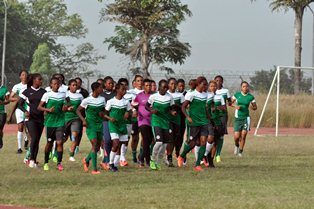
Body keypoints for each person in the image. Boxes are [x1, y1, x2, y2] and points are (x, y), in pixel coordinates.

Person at [177, 76, 209, 172]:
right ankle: (181, 156)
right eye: (204, 84)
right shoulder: (191, 94)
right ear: (198, 84)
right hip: (194, 122)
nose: (205, 86)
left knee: (203, 142)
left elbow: (205, 108)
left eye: (206, 84)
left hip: (203, 122)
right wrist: (188, 117)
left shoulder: (205, 95)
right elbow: (183, 107)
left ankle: (197, 164)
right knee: (192, 143)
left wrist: (209, 118)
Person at [146, 79, 175, 170]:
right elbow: (146, 106)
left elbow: (171, 108)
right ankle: (152, 160)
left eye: (167, 87)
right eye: (164, 87)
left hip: (166, 122)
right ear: (159, 87)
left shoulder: (170, 97)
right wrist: (151, 110)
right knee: (159, 142)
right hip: (156, 121)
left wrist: (172, 112)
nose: (165, 89)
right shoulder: (153, 96)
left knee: (164, 145)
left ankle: (158, 163)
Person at [38, 77, 66, 171]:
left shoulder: (63, 94)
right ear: (51, 85)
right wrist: (48, 110)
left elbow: (66, 105)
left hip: (60, 122)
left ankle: (59, 163)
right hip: (50, 122)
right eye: (54, 84)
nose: (56, 85)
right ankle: (46, 162)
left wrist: (66, 108)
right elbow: (39, 107)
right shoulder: (47, 95)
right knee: (49, 143)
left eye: (58, 84)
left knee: (60, 142)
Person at [18, 74, 46, 167]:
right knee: (34, 138)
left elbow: (46, 105)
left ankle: (33, 160)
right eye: (40, 79)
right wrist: (25, 111)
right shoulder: (27, 91)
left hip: (40, 119)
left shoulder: (44, 92)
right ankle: (31, 160)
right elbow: (19, 104)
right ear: (34, 80)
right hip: (30, 119)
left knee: (37, 140)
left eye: (41, 80)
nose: (41, 81)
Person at [77, 82, 105, 175]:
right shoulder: (87, 100)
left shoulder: (102, 99)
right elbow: (78, 110)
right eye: (101, 88)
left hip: (99, 125)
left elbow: (103, 110)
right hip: (90, 125)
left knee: (97, 147)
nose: (102, 89)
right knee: (94, 144)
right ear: (96, 89)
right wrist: (83, 120)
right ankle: (95, 169)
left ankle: (86, 159)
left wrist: (102, 113)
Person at [103, 83, 131, 172]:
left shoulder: (126, 102)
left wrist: (128, 113)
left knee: (121, 144)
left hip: (122, 125)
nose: (124, 91)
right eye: (123, 89)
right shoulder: (111, 101)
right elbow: (103, 114)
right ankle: (110, 163)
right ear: (117, 90)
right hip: (113, 125)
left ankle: (115, 163)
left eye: (125, 89)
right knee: (115, 143)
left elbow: (129, 112)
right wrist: (110, 118)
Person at [231, 81, 257, 157]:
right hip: (237, 118)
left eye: (246, 86)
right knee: (236, 136)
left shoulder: (250, 97)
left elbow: (255, 107)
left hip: (246, 118)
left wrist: (253, 107)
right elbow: (229, 103)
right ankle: (236, 145)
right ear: (241, 88)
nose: (245, 88)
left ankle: (240, 152)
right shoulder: (237, 95)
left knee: (243, 135)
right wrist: (236, 106)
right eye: (243, 86)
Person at [204, 80, 225, 168]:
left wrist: (216, 108)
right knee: (209, 140)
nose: (213, 87)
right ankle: (204, 156)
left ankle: (211, 161)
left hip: (217, 121)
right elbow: (204, 108)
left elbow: (224, 109)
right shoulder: (206, 96)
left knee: (215, 142)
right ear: (209, 87)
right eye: (211, 86)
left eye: (214, 86)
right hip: (208, 121)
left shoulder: (220, 97)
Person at [133, 78, 152, 167]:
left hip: (152, 121)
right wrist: (135, 111)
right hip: (142, 121)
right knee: (146, 139)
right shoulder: (139, 96)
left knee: (150, 141)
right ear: (144, 86)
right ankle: (147, 161)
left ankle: (141, 157)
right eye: (147, 85)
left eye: (150, 85)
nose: (149, 87)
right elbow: (133, 104)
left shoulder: (154, 96)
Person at [166, 78, 184, 167]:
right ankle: (169, 158)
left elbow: (184, 107)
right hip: (167, 120)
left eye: (174, 84)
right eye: (171, 84)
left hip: (177, 120)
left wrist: (177, 106)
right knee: (170, 139)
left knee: (175, 140)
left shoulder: (180, 95)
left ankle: (174, 154)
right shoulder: (165, 95)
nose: (173, 86)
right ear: (168, 85)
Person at [8, 70, 28, 153]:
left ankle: (26, 138)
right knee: (20, 127)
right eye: (23, 75)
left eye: (26, 75)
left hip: (28, 108)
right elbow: (10, 97)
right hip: (19, 108)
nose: (24, 76)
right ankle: (19, 148)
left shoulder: (30, 86)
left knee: (27, 127)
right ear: (20, 77)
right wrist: (17, 98)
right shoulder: (17, 86)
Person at [64, 79, 84, 162]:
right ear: (69, 86)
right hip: (65, 118)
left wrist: (83, 118)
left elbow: (82, 108)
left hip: (76, 119)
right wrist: (67, 108)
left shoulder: (80, 96)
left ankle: (71, 155)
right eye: (73, 85)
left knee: (74, 136)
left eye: (76, 85)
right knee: (63, 138)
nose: (75, 86)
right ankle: (55, 150)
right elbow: (61, 107)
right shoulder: (65, 95)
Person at [100, 76, 116, 170]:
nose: (111, 85)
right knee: (107, 140)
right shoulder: (101, 95)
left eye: (112, 83)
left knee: (115, 141)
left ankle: (111, 160)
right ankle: (106, 160)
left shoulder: (116, 94)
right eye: (109, 83)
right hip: (105, 120)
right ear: (105, 84)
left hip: (115, 120)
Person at [214, 75, 231, 162]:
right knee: (212, 134)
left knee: (221, 134)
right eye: (216, 80)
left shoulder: (225, 91)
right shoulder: (211, 91)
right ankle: (210, 154)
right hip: (213, 115)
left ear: (222, 82)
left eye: (220, 81)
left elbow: (229, 101)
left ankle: (218, 155)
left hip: (223, 115)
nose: (218, 82)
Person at [128, 75, 143, 163]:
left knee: (145, 137)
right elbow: (129, 103)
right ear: (134, 83)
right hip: (134, 118)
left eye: (141, 80)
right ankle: (134, 156)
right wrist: (133, 110)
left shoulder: (146, 92)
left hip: (144, 117)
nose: (140, 82)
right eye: (138, 80)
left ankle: (141, 156)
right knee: (135, 138)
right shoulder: (130, 92)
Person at [0, 81, 10, 150]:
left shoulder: (4, 89)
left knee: (0, 129)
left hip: (2, 112)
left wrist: (2, 102)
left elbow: (8, 100)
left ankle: (0, 141)